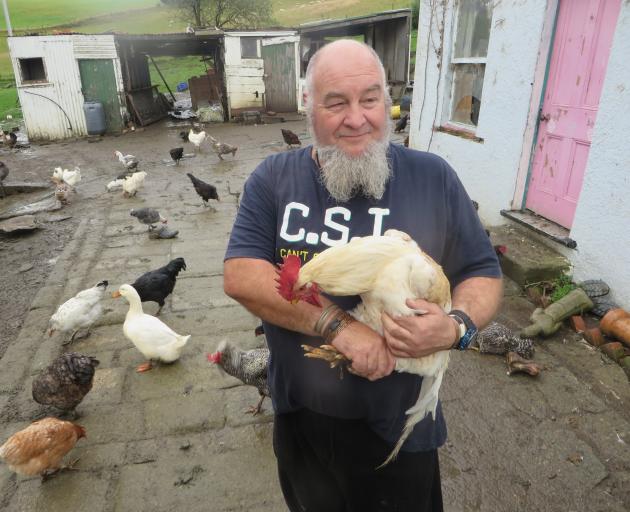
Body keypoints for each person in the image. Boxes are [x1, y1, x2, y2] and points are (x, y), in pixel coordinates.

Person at [224, 39, 503, 512]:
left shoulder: (433, 176)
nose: (357, 118)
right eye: (337, 103)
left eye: (370, 99)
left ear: (386, 101)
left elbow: (482, 272)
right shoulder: (273, 178)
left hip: (402, 423)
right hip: (303, 419)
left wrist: (455, 327)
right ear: (309, 107)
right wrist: (339, 327)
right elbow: (242, 274)